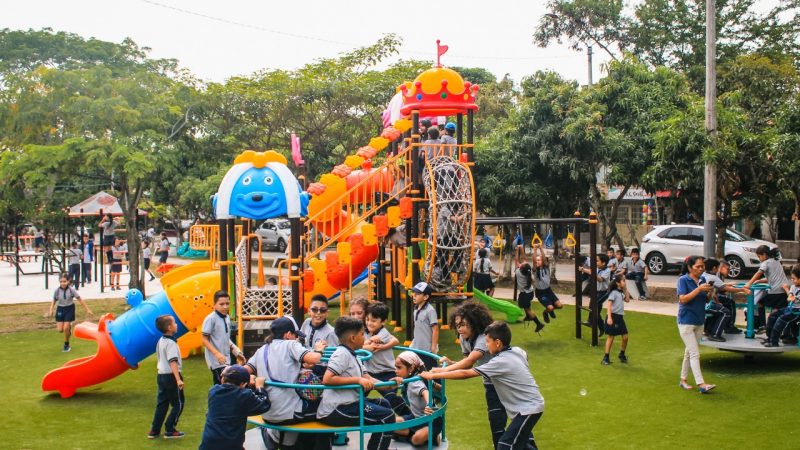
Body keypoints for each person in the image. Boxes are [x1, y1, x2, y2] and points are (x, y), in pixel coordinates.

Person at [421, 321, 544, 449]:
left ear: (497, 343)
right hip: (529, 407)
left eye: (487, 341)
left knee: (504, 445)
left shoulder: (500, 362)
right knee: (522, 444)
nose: (486, 345)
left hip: (529, 408)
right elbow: (525, 357)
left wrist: (433, 375)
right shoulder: (518, 351)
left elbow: (465, 373)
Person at [433, 301, 510, 449]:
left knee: (517, 421)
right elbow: (466, 362)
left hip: (505, 384)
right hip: (490, 384)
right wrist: (450, 363)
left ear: (474, 323)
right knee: (496, 423)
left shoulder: (482, 338)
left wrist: (442, 371)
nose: (460, 329)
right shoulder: (463, 338)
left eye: (463, 324)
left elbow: (471, 360)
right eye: (457, 325)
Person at [318, 316, 400, 450]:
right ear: (352, 338)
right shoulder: (342, 354)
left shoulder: (354, 355)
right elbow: (328, 379)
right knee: (387, 416)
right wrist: (357, 380)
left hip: (349, 404)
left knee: (384, 403)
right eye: (362, 334)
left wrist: (391, 384)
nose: (365, 338)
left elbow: (368, 378)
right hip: (337, 409)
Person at [245, 317, 324, 449]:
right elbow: (315, 358)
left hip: (267, 413)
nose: (296, 339)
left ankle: (276, 441)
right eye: (294, 335)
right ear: (288, 334)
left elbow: (245, 370)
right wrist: (319, 349)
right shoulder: (290, 344)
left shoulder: (262, 350)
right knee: (327, 411)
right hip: (289, 412)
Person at [199, 365, 271, 450]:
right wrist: (259, 386)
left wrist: (247, 384)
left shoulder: (213, 391)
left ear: (223, 379)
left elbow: (234, 395)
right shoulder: (244, 396)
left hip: (208, 444)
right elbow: (264, 404)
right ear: (243, 384)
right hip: (230, 445)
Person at [676, 255, 716, 393]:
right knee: (694, 353)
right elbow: (683, 299)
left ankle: (683, 380)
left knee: (689, 352)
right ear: (689, 267)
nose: (701, 269)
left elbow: (705, 300)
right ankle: (701, 384)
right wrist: (698, 289)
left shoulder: (703, 280)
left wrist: (710, 292)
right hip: (686, 321)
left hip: (699, 320)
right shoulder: (683, 280)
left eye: (702, 267)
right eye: (698, 267)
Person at [363, 302, 405, 415]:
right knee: (356, 397)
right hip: (370, 373)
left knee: (392, 398)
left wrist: (363, 345)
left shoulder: (383, 333)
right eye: (367, 319)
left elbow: (371, 345)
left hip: (387, 372)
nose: (369, 323)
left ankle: (409, 419)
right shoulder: (364, 332)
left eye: (373, 320)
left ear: (383, 322)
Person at [393, 351, 442, 446]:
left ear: (411, 368)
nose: (396, 370)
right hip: (416, 418)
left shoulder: (415, 382)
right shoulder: (417, 376)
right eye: (395, 367)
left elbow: (425, 392)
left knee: (416, 440)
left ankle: (430, 438)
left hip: (430, 420)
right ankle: (411, 433)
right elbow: (435, 385)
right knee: (392, 422)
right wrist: (395, 381)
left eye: (399, 367)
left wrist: (429, 404)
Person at [148, 314, 185, 439]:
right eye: (174, 323)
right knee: (178, 403)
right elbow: (172, 361)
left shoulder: (161, 341)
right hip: (171, 376)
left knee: (162, 403)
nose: (176, 325)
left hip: (161, 375)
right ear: (169, 327)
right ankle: (170, 429)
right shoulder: (171, 344)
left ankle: (154, 430)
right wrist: (178, 379)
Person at [202, 291, 244, 385]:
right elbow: (204, 339)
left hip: (226, 360)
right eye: (221, 304)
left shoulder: (227, 318)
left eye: (227, 304)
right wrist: (217, 354)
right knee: (222, 386)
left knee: (228, 386)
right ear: (214, 305)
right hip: (216, 362)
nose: (225, 306)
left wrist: (236, 351)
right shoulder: (211, 319)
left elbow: (225, 338)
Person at [744, 245, 790, 330]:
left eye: (759, 256)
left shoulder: (766, 263)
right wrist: (759, 281)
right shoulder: (776, 261)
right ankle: (776, 333)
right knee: (777, 313)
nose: (759, 258)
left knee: (759, 302)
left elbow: (759, 273)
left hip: (775, 292)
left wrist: (749, 283)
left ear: (764, 254)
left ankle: (762, 325)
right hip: (784, 291)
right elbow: (773, 277)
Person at [46, 274, 93, 352]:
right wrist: (51, 310)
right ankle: (68, 330)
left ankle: (66, 345)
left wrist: (87, 309)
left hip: (69, 308)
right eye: (61, 282)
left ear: (68, 281)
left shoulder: (71, 290)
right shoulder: (57, 291)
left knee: (65, 328)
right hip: (60, 309)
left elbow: (80, 299)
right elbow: (54, 301)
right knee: (60, 330)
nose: (63, 283)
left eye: (64, 281)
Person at [763, 264, 800, 347]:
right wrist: (787, 290)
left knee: (780, 320)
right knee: (773, 315)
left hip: (797, 311)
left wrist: (791, 297)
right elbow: (790, 295)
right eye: (792, 278)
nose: (792, 280)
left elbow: (792, 298)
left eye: (794, 278)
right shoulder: (794, 286)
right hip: (790, 309)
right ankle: (769, 338)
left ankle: (774, 342)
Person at [410, 282, 439, 370]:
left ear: (426, 297)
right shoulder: (416, 308)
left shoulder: (430, 310)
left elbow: (435, 329)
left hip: (427, 349)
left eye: (417, 294)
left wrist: (433, 347)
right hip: (416, 346)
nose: (414, 296)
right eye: (413, 293)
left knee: (431, 371)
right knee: (416, 370)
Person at [601, 275, 630, 365]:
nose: (624, 282)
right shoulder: (613, 292)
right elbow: (609, 305)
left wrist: (625, 289)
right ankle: (606, 358)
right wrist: (609, 317)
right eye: (623, 281)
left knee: (625, 337)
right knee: (611, 337)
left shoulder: (621, 292)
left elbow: (628, 299)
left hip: (620, 318)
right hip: (613, 316)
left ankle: (622, 354)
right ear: (618, 283)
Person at [581, 254, 611, 336]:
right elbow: (590, 271)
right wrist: (583, 269)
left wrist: (593, 273)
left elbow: (601, 279)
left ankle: (590, 321)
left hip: (604, 292)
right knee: (596, 311)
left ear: (603, 263)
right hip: (596, 292)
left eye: (597, 261)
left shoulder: (607, 270)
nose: (596, 262)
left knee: (593, 306)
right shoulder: (597, 268)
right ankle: (602, 328)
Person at [533, 243, 563, 322]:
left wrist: (541, 248)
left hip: (548, 291)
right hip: (540, 293)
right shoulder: (535, 270)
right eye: (536, 261)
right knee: (550, 307)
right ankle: (546, 312)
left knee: (560, 306)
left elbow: (545, 260)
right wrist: (535, 250)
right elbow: (534, 261)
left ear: (543, 261)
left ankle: (550, 309)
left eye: (539, 260)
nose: (537, 261)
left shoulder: (546, 268)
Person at [515, 263, 546, 334]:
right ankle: (528, 316)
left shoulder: (518, 273)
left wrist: (517, 252)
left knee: (527, 309)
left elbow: (517, 261)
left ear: (521, 269)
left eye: (522, 264)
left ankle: (539, 324)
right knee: (526, 306)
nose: (521, 263)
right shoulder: (528, 272)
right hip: (530, 292)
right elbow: (524, 266)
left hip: (525, 294)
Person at [717, 260, 745, 334]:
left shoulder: (720, 276)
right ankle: (730, 326)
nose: (728, 271)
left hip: (714, 297)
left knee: (728, 301)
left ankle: (728, 325)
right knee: (730, 302)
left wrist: (726, 285)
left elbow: (721, 288)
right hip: (712, 298)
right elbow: (724, 289)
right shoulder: (717, 275)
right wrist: (743, 290)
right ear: (721, 268)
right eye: (727, 269)